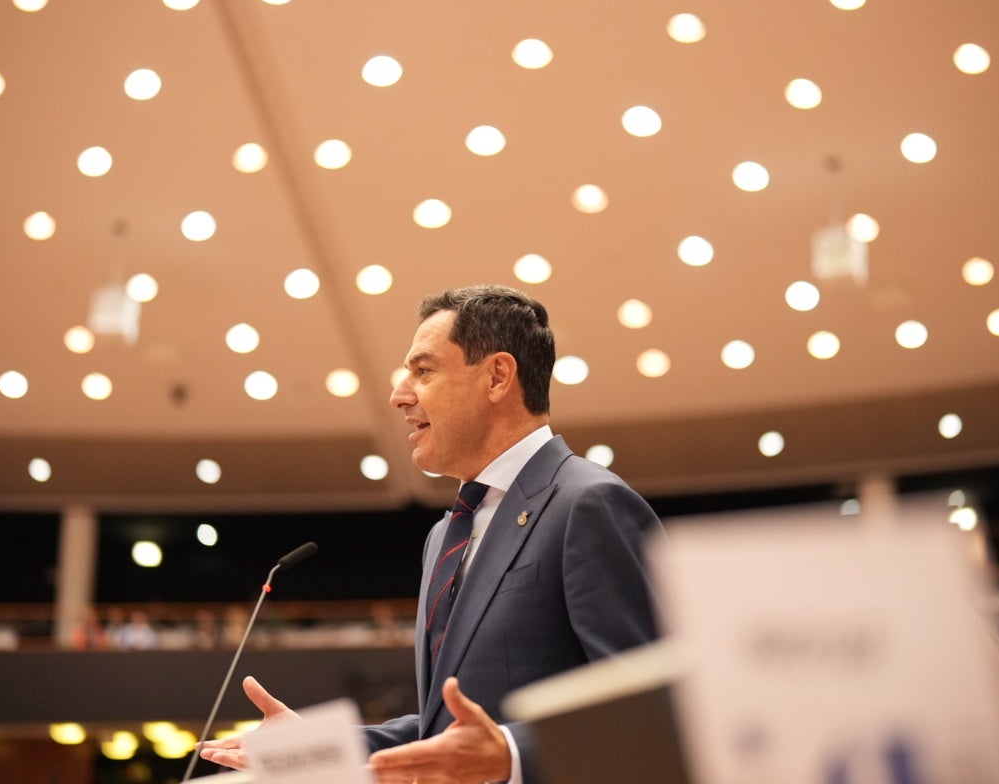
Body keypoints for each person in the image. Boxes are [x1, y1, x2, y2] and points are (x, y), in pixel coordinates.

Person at [200, 285, 664, 783]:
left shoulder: (587, 502)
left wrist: (510, 752)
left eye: (423, 371)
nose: (399, 395)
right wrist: (316, 746)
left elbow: (655, 711)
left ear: (497, 377)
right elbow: (445, 729)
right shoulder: (444, 535)